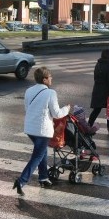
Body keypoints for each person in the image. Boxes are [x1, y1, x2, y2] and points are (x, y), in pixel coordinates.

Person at [13, 66, 71, 195]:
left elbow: (27, 108)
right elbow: (56, 114)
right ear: (44, 79)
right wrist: (66, 109)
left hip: (30, 128)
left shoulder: (29, 91)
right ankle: (22, 180)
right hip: (42, 130)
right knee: (37, 156)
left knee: (42, 152)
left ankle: (43, 177)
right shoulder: (51, 93)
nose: (51, 79)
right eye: (50, 77)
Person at [88, 49, 109, 135]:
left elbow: (95, 77)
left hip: (97, 90)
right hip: (107, 92)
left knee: (96, 110)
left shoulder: (98, 64)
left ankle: (88, 126)